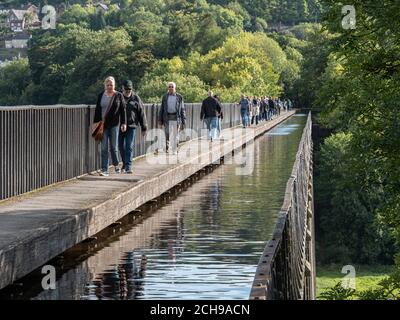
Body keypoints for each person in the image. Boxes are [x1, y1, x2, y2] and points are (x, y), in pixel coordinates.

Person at [94, 76, 127, 177]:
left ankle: (116, 165)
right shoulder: (101, 95)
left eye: (111, 85)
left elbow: (123, 110)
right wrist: (95, 125)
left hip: (114, 125)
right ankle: (105, 169)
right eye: (108, 85)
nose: (109, 87)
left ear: (114, 85)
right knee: (104, 148)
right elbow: (97, 110)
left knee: (113, 147)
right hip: (103, 125)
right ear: (105, 85)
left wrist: (124, 123)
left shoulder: (119, 95)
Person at [118, 80, 148, 174]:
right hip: (119, 126)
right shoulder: (118, 97)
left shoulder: (136, 98)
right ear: (122, 88)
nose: (128, 91)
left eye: (130, 89)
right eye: (126, 89)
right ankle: (124, 163)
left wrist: (144, 127)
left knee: (129, 146)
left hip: (132, 126)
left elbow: (141, 113)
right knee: (120, 146)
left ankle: (128, 166)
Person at [158, 82, 186, 154]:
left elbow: (182, 109)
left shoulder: (179, 97)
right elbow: (162, 108)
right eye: (169, 87)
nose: (170, 88)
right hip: (167, 117)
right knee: (167, 133)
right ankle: (167, 148)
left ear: (175, 88)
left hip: (176, 117)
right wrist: (160, 120)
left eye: (172, 87)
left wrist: (184, 121)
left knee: (175, 135)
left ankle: (174, 149)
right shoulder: (165, 97)